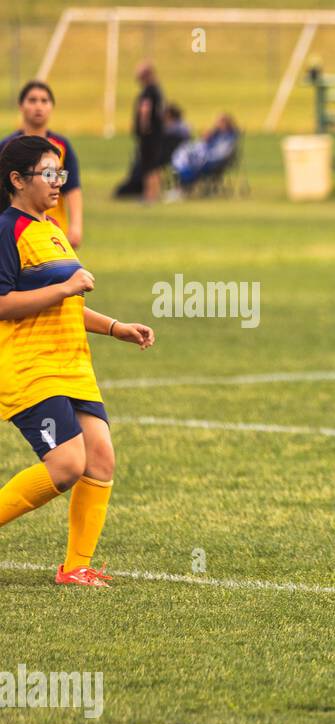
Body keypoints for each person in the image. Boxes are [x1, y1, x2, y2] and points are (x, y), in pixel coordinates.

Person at [0, 136, 155, 586]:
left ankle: (75, 568)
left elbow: (64, 306)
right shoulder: (8, 230)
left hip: (73, 365)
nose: (57, 184)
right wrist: (65, 288)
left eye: (60, 175)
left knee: (101, 458)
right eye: (48, 174)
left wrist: (115, 327)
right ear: (16, 179)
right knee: (67, 465)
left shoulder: (52, 230)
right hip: (33, 366)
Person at [0, 81, 83, 247]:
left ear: (52, 106)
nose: (38, 106)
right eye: (32, 100)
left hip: (53, 229)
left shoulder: (61, 146)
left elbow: (72, 188)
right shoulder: (7, 147)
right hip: (18, 231)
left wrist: (76, 225)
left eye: (44, 101)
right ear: (21, 105)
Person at [132, 61, 165, 204]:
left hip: (149, 135)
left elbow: (145, 109)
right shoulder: (157, 90)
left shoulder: (148, 91)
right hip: (157, 134)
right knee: (155, 165)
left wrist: (144, 127)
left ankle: (149, 194)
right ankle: (155, 194)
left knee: (148, 165)